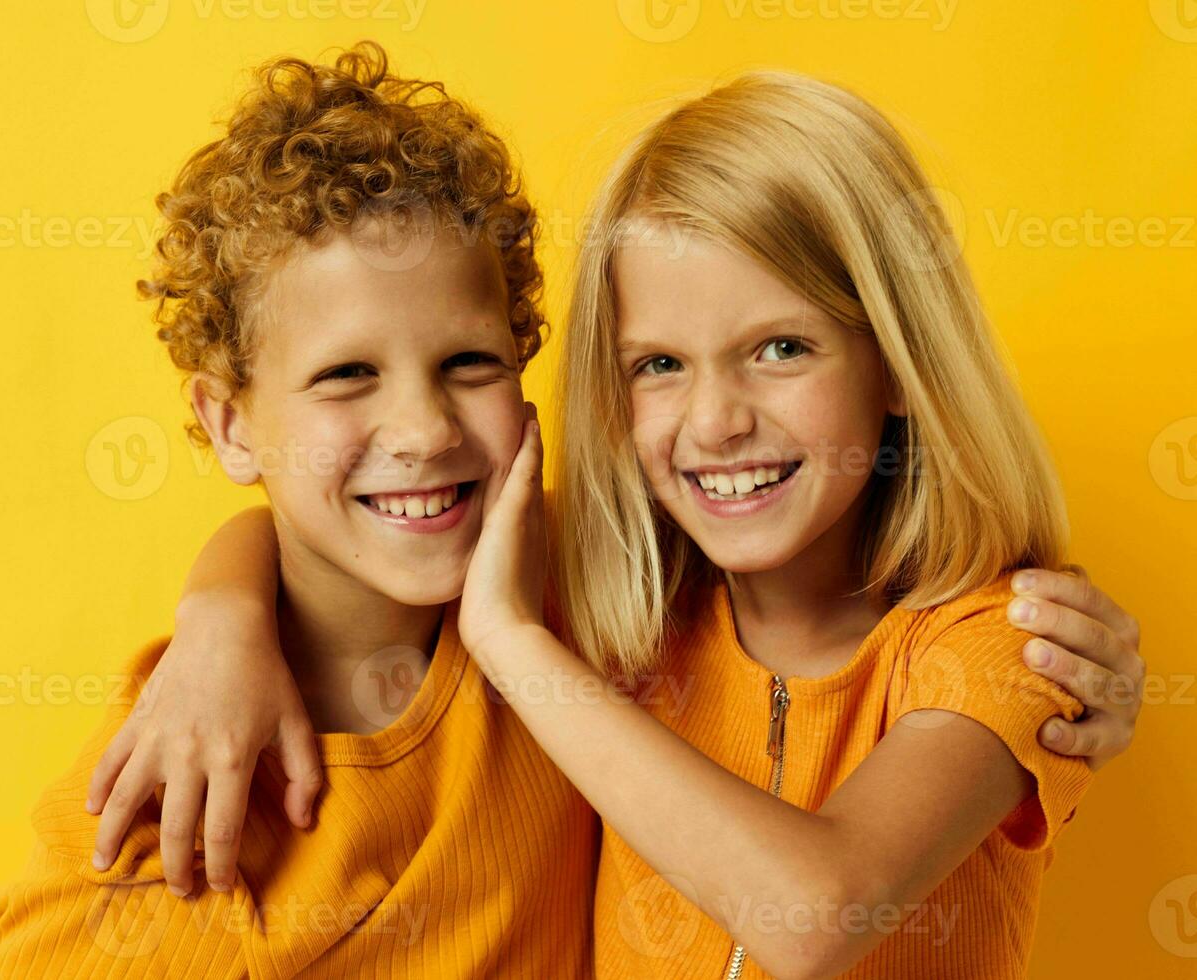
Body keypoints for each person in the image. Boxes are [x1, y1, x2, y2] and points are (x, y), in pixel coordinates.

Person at [91, 70, 1147, 979]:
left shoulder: (1003, 642)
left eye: (782, 347)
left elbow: (817, 912)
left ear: (901, 362)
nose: (718, 420)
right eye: (659, 365)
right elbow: (316, 527)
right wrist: (218, 623)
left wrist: (512, 644)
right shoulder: (619, 584)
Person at [0, 43, 597, 978]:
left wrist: (221, 603)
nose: (425, 432)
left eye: (470, 363)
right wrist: (219, 616)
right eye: (348, 376)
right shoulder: (180, 800)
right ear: (229, 427)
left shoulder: (590, 583)